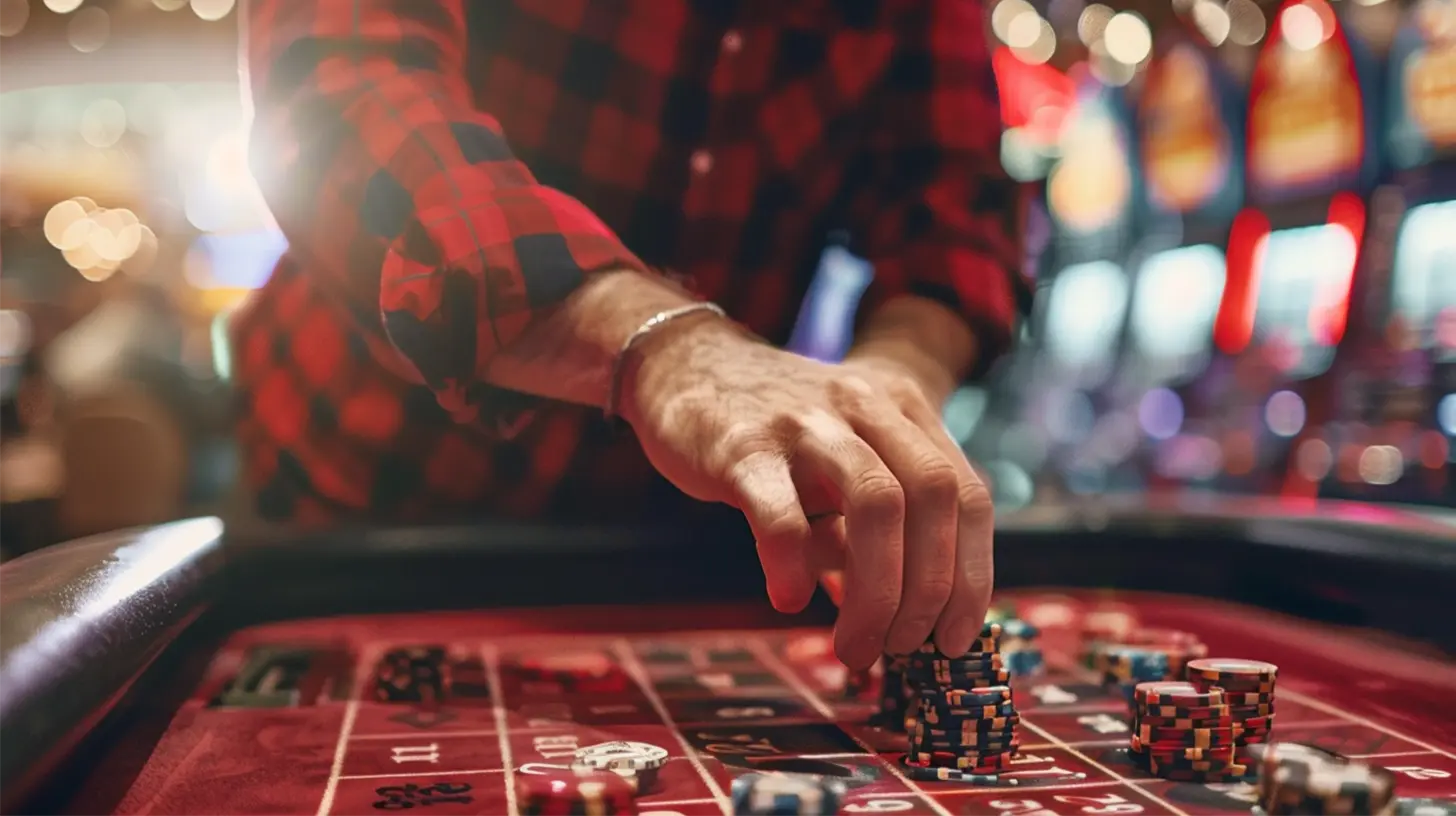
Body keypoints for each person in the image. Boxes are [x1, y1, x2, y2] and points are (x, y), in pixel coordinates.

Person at [234, 0, 1029, 670]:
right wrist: (667, 349)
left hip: (676, 540)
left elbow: (957, 212)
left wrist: (893, 377)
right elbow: (340, 87)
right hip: (362, 508)